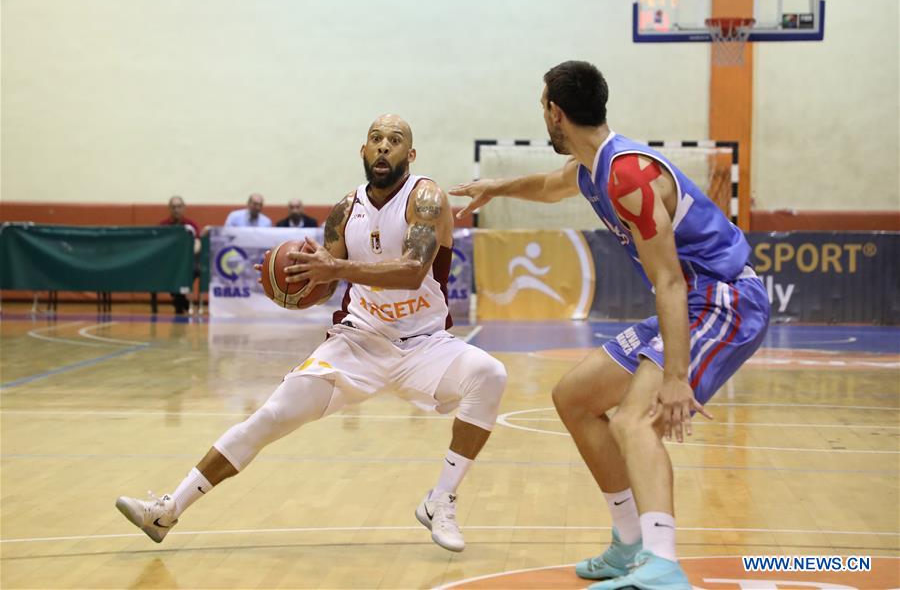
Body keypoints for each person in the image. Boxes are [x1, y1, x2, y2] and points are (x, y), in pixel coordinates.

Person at [116, 114, 507, 553]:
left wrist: (335, 267)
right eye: (375, 139)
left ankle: (442, 500)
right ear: (362, 151)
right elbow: (326, 283)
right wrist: (301, 278)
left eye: (394, 141)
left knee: (489, 375)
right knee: (268, 417)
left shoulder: (426, 198)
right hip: (357, 340)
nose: (383, 147)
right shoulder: (345, 210)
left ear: (410, 155)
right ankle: (168, 510)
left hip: (424, 345)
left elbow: (415, 271)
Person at [451, 61, 769, 589]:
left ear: (555, 111)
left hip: (723, 300)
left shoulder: (628, 175)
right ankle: (629, 545)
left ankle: (663, 564)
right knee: (574, 397)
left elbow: (668, 281)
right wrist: (498, 187)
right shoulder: (592, 165)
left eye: (542, 106)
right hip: (690, 299)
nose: (544, 116)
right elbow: (552, 186)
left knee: (632, 420)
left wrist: (675, 376)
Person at [158, 195, 201, 314]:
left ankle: (178, 299)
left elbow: (197, 244)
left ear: (184, 208)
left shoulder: (191, 225)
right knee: (172, 270)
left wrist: (187, 255)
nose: (176, 209)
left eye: (179, 206)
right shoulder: (163, 225)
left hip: (187, 261)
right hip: (168, 262)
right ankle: (181, 299)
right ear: (169, 209)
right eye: (173, 207)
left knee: (195, 269)